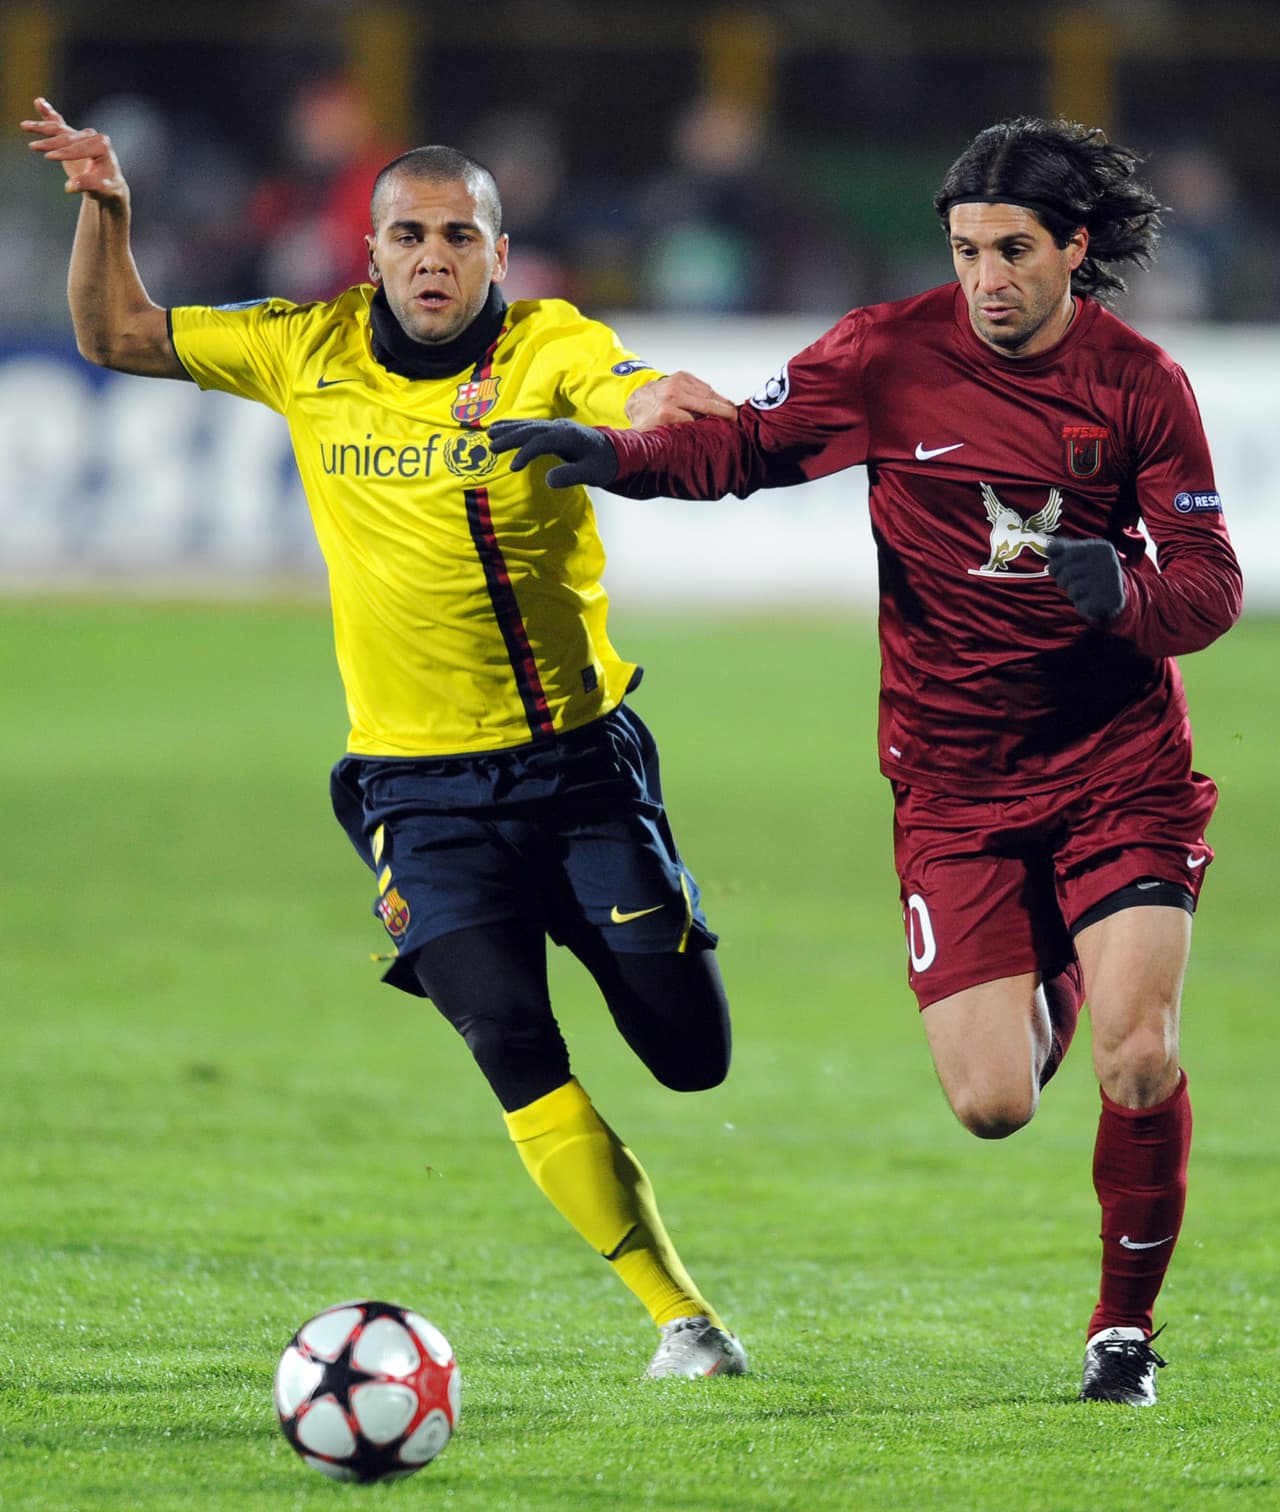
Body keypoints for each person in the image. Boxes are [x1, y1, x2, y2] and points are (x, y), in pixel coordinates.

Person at [489, 116, 1243, 1407]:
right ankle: (1059, 957)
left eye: (1012, 251)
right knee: (992, 1105)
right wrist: (615, 458)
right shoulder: (886, 354)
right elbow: (741, 449)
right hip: (951, 783)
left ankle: (1122, 1334)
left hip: (1116, 766)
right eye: (965, 251)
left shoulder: (1139, 385)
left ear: (1074, 249)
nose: (985, 278)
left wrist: (1122, 593)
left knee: (1136, 1055)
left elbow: (1211, 587)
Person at [22, 95, 749, 1380]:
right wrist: (109, 209)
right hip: (416, 794)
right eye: (408, 234)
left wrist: (653, 406)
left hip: (576, 771)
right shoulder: (303, 347)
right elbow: (115, 332)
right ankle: (681, 1322)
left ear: (498, 255)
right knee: (508, 1044)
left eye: (458, 236)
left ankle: (627, 921)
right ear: (369, 252)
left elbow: (623, 385)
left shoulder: (546, 344)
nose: (431, 257)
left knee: (692, 1059)